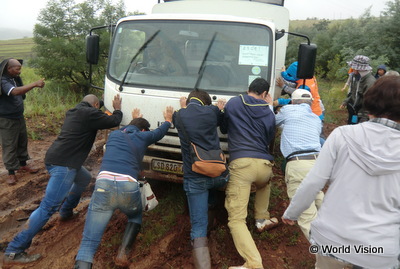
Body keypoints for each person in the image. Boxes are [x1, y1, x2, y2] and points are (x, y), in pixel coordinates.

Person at [282, 76, 400, 269]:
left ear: (370, 103)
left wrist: (292, 213)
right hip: (379, 251)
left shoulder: (342, 135)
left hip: (333, 241)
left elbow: (314, 182)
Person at [3, 94, 123, 265]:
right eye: (98, 106)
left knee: (84, 178)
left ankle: (66, 212)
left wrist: (104, 112)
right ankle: (13, 251)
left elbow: (101, 117)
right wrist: (117, 108)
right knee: (48, 207)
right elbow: (113, 121)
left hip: (57, 159)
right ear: (95, 104)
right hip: (64, 165)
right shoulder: (89, 114)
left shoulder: (75, 111)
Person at [74, 107, 173, 269]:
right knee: (135, 216)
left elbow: (129, 132)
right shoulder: (143, 135)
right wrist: (168, 119)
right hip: (128, 186)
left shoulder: (114, 135)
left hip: (103, 185)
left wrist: (133, 119)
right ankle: (123, 254)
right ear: (142, 130)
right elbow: (159, 133)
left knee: (88, 243)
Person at [221, 77, 277, 269]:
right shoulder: (269, 113)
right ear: (264, 94)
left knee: (236, 219)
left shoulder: (235, 102)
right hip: (264, 164)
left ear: (248, 89)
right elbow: (270, 137)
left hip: (242, 163)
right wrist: (268, 106)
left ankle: (253, 263)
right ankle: (261, 218)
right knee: (264, 184)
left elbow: (224, 127)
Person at [172, 90, 228, 269]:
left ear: (188, 102)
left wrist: (183, 108)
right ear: (206, 103)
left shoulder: (180, 115)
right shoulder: (212, 112)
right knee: (210, 189)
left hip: (195, 177)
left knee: (198, 227)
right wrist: (219, 108)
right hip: (220, 175)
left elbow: (178, 120)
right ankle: (212, 214)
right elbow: (220, 120)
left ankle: (203, 260)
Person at [275, 89, 324, 239]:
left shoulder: (288, 110)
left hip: (298, 163)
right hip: (317, 163)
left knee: (306, 215)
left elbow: (271, 121)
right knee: (318, 198)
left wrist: (269, 105)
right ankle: (339, 232)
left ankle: (330, 254)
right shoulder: (316, 119)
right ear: (310, 103)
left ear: (293, 101)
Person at [0, 58, 45, 185]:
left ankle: (23, 164)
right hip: (6, 119)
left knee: (21, 141)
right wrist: (35, 84)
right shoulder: (3, 81)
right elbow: (15, 92)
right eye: (17, 68)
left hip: (18, 116)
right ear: (9, 69)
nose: (20, 71)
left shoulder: (13, 79)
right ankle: (11, 172)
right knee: (9, 145)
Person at [340, 55, 376, 124]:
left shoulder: (370, 82)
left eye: (354, 67)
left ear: (360, 69)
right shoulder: (357, 78)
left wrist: (364, 117)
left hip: (362, 115)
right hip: (354, 110)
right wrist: (346, 101)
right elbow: (353, 93)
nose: (352, 69)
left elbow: (369, 103)